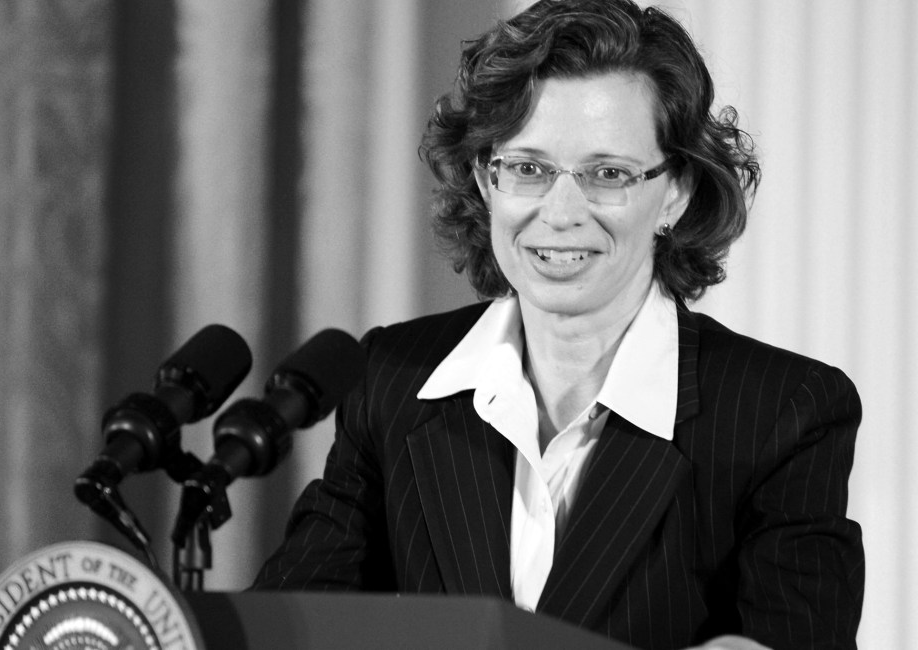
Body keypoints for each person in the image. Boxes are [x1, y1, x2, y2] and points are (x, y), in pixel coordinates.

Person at [252, 1, 864, 649]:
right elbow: (291, 622)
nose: (561, 213)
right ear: (487, 181)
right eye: (528, 168)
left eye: (608, 174)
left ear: (676, 193)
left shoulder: (785, 412)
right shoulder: (393, 381)